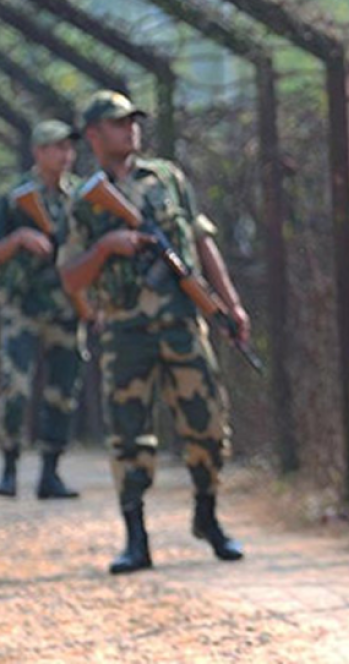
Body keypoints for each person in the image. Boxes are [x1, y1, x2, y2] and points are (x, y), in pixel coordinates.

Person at [59, 90, 249, 574]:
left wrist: (230, 304)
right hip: (125, 330)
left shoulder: (167, 178)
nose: (131, 130)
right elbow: (71, 277)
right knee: (129, 437)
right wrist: (107, 247)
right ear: (94, 135)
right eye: (119, 123)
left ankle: (207, 517)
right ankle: (136, 539)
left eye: (133, 122)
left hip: (182, 321)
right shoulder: (85, 201)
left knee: (207, 427)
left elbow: (202, 243)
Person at [0, 119, 86, 500]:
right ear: (38, 152)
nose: (65, 155)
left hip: (66, 306)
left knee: (63, 390)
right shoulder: (14, 199)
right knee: (13, 387)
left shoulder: (82, 197)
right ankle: (9, 468)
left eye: (69, 148)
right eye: (56, 148)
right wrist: (18, 238)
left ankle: (50, 472)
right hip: (21, 306)